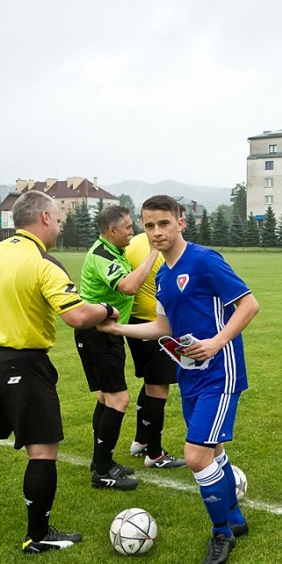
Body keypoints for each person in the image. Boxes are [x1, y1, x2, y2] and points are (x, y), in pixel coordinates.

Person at [0, 191, 115, 554]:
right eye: (57, 219)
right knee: (43, 450)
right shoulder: (44, 262)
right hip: (21, 363)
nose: (59, 225)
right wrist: (105, 309)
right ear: (42, 217)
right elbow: (76, 316)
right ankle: (38, 535)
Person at [99, 195, 258, 564]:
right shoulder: (164, 275)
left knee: (195, 455)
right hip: (189, 373)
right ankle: (234, 517)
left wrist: (217, 342)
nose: (157, 232)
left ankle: (222, 533)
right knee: (212, 451)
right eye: (149, 225)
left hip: (221, 371)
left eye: (164, 224)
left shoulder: (204, 260)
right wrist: (117, 327)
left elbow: (249, 304)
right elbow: (164, 327)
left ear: (180, 222)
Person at [75, 205, 180, 494]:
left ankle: (102, 463)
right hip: (98, 332)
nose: (131, 232)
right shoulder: (102, 254)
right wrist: (154, 254)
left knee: (105, 397)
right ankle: (102, 469)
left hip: (104, 331)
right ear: (112, 230)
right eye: (127, 228)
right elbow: (129, 286)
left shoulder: (112, 250)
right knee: (118, 400)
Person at [124, 228, 185, 469]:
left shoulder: (132, 244)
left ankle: (141, 440)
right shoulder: (164, 247)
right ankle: (155, 454)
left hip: (135, 322)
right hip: (155, 325)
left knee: (151, 383)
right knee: (158, 390)